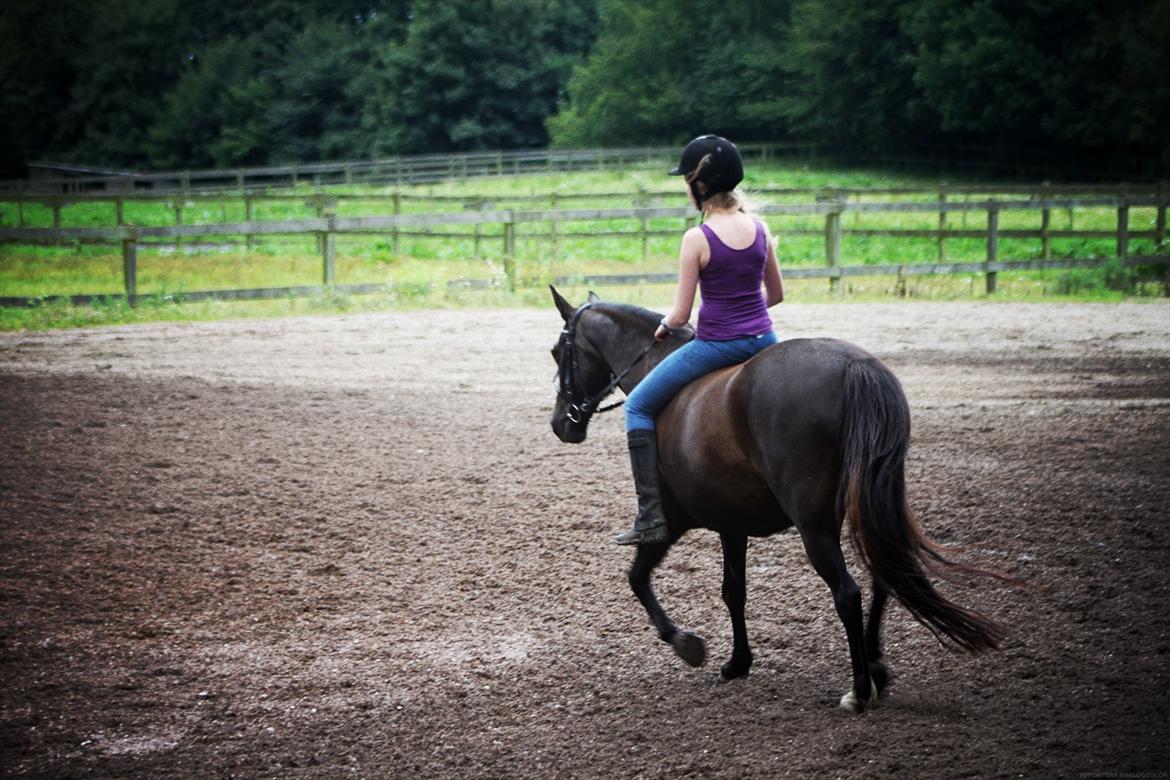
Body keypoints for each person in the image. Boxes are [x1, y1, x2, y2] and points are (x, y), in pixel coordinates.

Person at [614, 135, 785, 545]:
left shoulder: (698, 238)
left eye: (686, 182)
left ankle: (651, 515)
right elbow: (776, 295)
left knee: (636, 406)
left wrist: (664, 327)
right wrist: (746, 308)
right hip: (764, 339)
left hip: (719, 344)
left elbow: (681, 314)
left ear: (701, 185)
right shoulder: (760, 229)